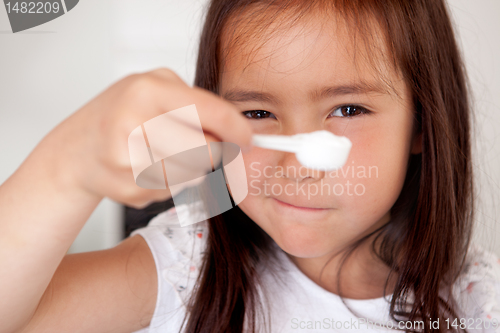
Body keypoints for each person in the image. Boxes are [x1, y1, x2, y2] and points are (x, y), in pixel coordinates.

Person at [1, 0, 499, 332]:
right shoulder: (188, 263)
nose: (294, 164)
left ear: (421, 124)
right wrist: (65, 171)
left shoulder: (478, 299)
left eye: (348, 110)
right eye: (257, 113)